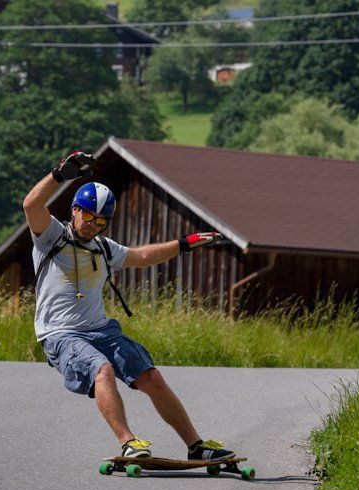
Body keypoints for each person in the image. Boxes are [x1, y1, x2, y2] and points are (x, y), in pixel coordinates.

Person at [23, 151, 235, 461]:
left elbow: (144, 256)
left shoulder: (104, 248)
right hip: (61, 334)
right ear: (74, 210)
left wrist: (184, 244)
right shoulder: (51, 237)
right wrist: (59, 175)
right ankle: (129, 443)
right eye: (88, 216)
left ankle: (196, 446)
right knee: (102, 369)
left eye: (100, 221)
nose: (92, 225)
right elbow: (31, 205)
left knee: (151, 376)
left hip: (101, 330)